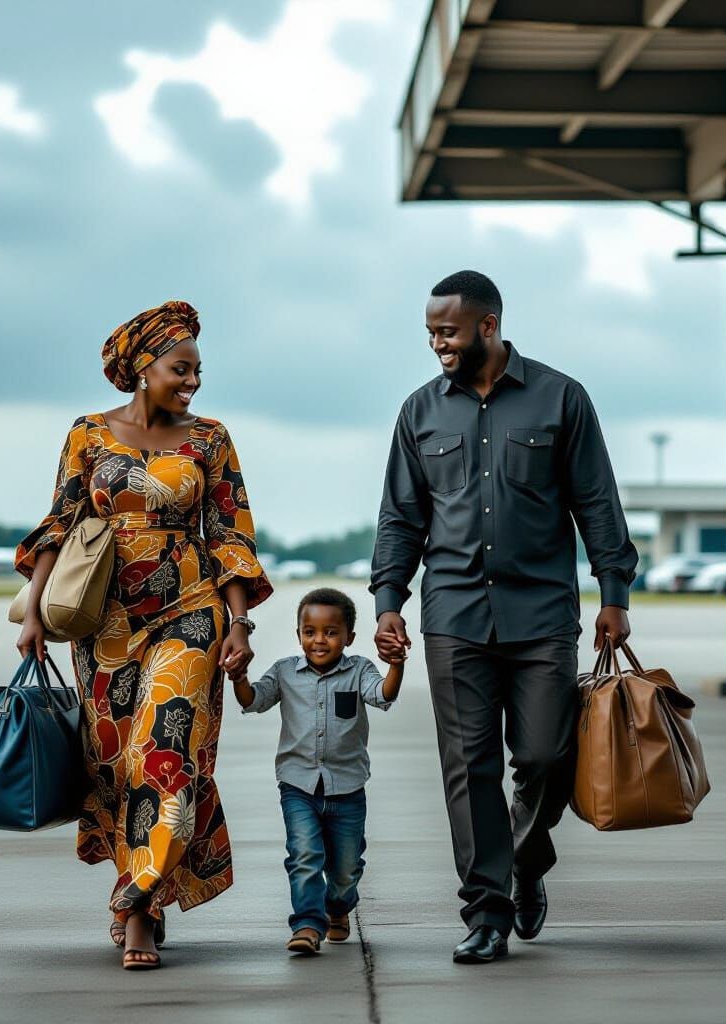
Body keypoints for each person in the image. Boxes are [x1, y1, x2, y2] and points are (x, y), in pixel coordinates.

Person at [371, 270, 637, 965]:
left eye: (449, 332)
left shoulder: (561, 398)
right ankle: (487, 912)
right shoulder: (420, 412)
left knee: (547, 755)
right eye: (431, 333)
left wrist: (614, 594)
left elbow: (597, 502)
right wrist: (388, 601)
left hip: (542, 614)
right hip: (453, 615)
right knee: (469, 767)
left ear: (488, 326)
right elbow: (401, 517)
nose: (438, 344)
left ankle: (524, 857)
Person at [14, 300, 273, 970]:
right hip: (103, 619)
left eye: (197, 371)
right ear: (143, 369)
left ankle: (139, 908)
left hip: (190, 610)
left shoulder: (210, 439)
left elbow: (231, 534)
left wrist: (239, 622)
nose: (193, 382)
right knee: (115, 763)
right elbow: (59, 523)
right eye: (180, 369)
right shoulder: (88, 434)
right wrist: (34, 611)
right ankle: (137, 884)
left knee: (166, 751)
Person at [231, 587, 404, 955]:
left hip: (348, 789)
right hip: (298, 786)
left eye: (330, 632)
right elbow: (254, 700)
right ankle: (308, 925)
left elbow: (383, 695)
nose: (319, 640)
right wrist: (239, 678)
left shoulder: (359, 670)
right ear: (299, 635)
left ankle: (338, 908)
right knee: (304, 856)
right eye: (310, 632)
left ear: (349, 637)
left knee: (345, 870)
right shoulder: (284, 672)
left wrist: (397, 665)